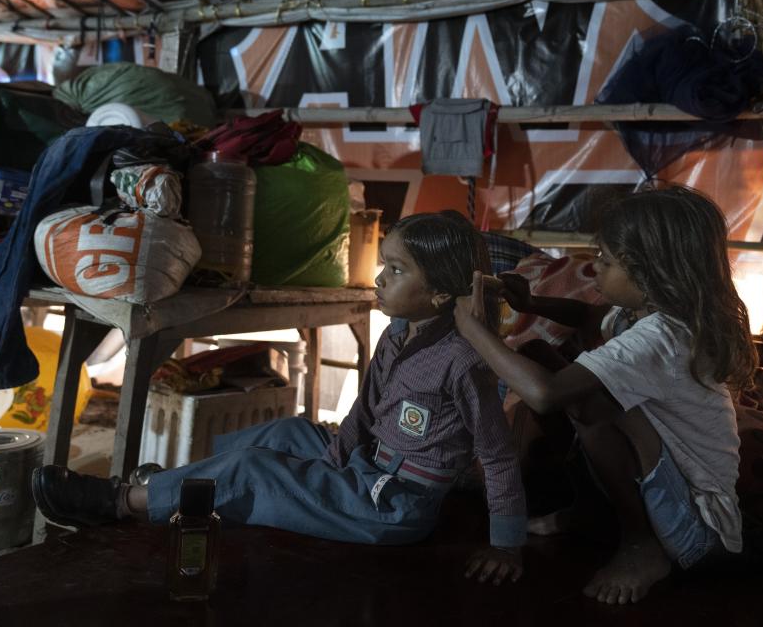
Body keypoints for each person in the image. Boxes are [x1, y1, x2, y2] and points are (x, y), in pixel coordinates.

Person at [33, 210, 526, 584]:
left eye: (396, 270)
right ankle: (188, 492)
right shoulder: (396, 333)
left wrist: (507, 546)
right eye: (384, 265)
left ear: (440, 294)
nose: (379, 279)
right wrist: (335, 457)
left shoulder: (464, 362)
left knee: (254, 467)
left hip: (394, 503)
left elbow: (498, 455)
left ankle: (120, 501)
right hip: (364, 464)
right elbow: (365, 409)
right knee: (285, 430)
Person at [453, 186, 757, 604]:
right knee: (539, 353)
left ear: (648, 274)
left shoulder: (660, 337)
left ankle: (640, 545)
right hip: (674, 504)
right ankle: (594, 511)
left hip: (699, 531)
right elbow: (590, 317)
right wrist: (532, 302)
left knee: (592, 401)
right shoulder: (643, 313)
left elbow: (544, 395)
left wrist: (474, 330)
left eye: (606, 261)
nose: (595, 269)